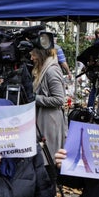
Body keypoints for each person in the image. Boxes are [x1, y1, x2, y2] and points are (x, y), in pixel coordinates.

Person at [30, 45, 67, 182]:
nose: (31, 58)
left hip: (50, 123)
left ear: (40, 54)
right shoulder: (43, 69)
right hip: (44, 120)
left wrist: (34, 98)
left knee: (48, 163)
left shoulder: (51, 71)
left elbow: (59, 99)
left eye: (33, 54)